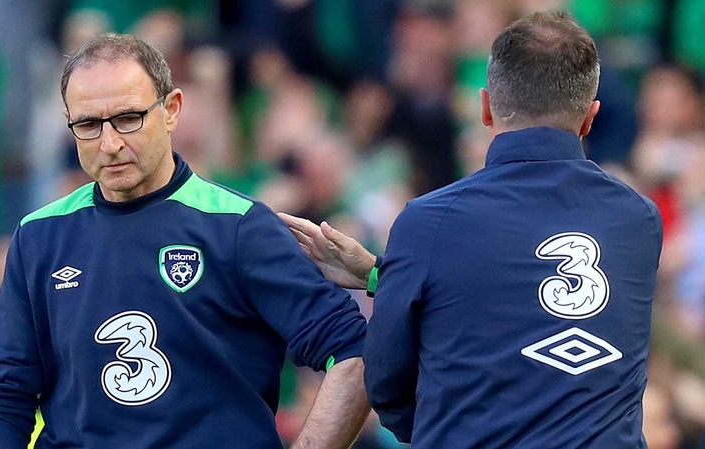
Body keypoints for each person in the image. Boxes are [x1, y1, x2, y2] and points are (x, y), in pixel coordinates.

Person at [281, 11, 662, 448]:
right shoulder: (640, 219)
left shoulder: (430, 221)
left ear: (485, 108)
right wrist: (381, 275)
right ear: (590, 117)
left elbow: (386, 379)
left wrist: (436, 426)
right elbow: (520, 302)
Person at [0, 34, 369, 448]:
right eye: (88, 125)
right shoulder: (39, 235)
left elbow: (353, 351)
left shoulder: (239, 227)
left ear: (171, 110)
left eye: (128, 118)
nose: (110, 143)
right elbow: (4, 394)